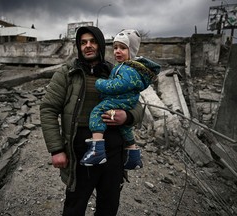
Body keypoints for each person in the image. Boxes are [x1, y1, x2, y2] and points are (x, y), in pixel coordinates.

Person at [40, 26, 144, 216]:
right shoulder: (67, 73)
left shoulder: (116, 72)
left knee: (109, 205)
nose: (88, 46)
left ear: (101, 45)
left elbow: (137, 105)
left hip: (113, 150)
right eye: (83, 42)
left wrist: (127, 116)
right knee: (75, 206)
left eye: (92, 41)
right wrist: (56, 149)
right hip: (80, 151)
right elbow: (48, 109)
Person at [80, 29, 161, 170]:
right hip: (126, 100)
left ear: (132, 51)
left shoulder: (127, 69)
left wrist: (100, 83)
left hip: (120, 99)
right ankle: (133, 157)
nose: (117, 51)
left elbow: (119, 85)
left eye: (123, 48)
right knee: (125, 128)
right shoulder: (126, 67)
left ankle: (96, 149)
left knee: (97, 112)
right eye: (115, 47)